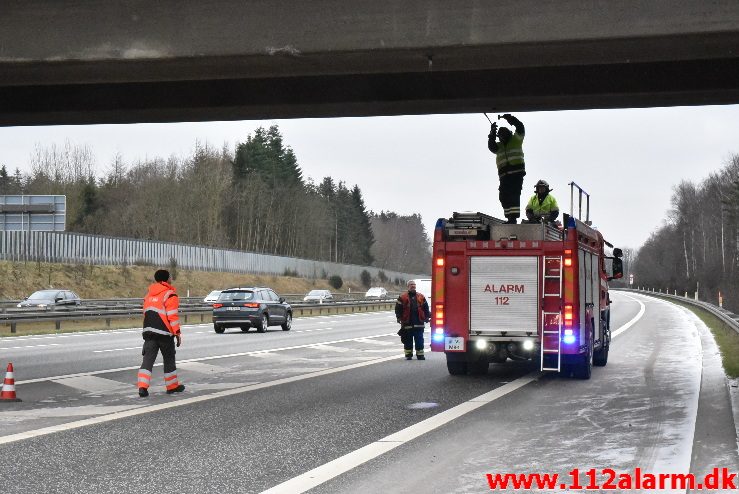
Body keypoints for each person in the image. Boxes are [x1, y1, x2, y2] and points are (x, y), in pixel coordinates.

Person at [137, 269, 185, 397]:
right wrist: (177, 333)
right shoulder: (170, 295)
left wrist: (146, 331)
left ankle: (142, 387)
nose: (171, 278)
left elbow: (145, 314)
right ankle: (172, 387)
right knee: (169, 359)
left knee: (147, 360)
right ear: (166, 279)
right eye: (170, 276)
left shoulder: (148, 295)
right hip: (164, 333)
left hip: (149, 332)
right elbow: (172, 316)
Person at [488, 113, 526, 224]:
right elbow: (491, 146)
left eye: (504, 133)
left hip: (516, 173)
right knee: (503, 196)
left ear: (509, 133)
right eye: (500, 135)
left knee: (513, 195)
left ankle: (512, 218)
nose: (502, 136)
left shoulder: (516, 140)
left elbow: (520, 127)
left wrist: (511, 119)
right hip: (504, 176)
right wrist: (492, 133)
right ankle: (509, 217)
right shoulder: (498, 146)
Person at [395, 280, 430, 360]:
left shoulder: (421, 296)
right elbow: (398, 309)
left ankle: (420, 355)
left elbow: (426, 308)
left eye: (414, 284)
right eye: (411, 284)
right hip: (407, 323)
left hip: (419, 323)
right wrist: (398, 317)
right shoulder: (402, 297)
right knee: (408, 340)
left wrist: (427, 317)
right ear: (408, 286)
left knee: (419, 340)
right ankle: (408, 355)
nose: (413, 286)